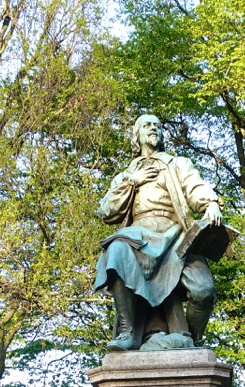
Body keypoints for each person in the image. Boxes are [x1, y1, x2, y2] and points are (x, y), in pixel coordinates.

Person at [93, 114, 229, 352]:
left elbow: (194, 186)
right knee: (115, 250)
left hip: (176, 235)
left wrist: (211, 204)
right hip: (138, 236)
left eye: (157, 125)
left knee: (203, 290)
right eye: (147, 125)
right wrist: (132, 182)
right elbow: (106, 211)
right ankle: (127, 332)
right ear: (137, 135)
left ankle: (192, 341)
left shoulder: (177, 163)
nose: (153, 128)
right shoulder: (126, 175)